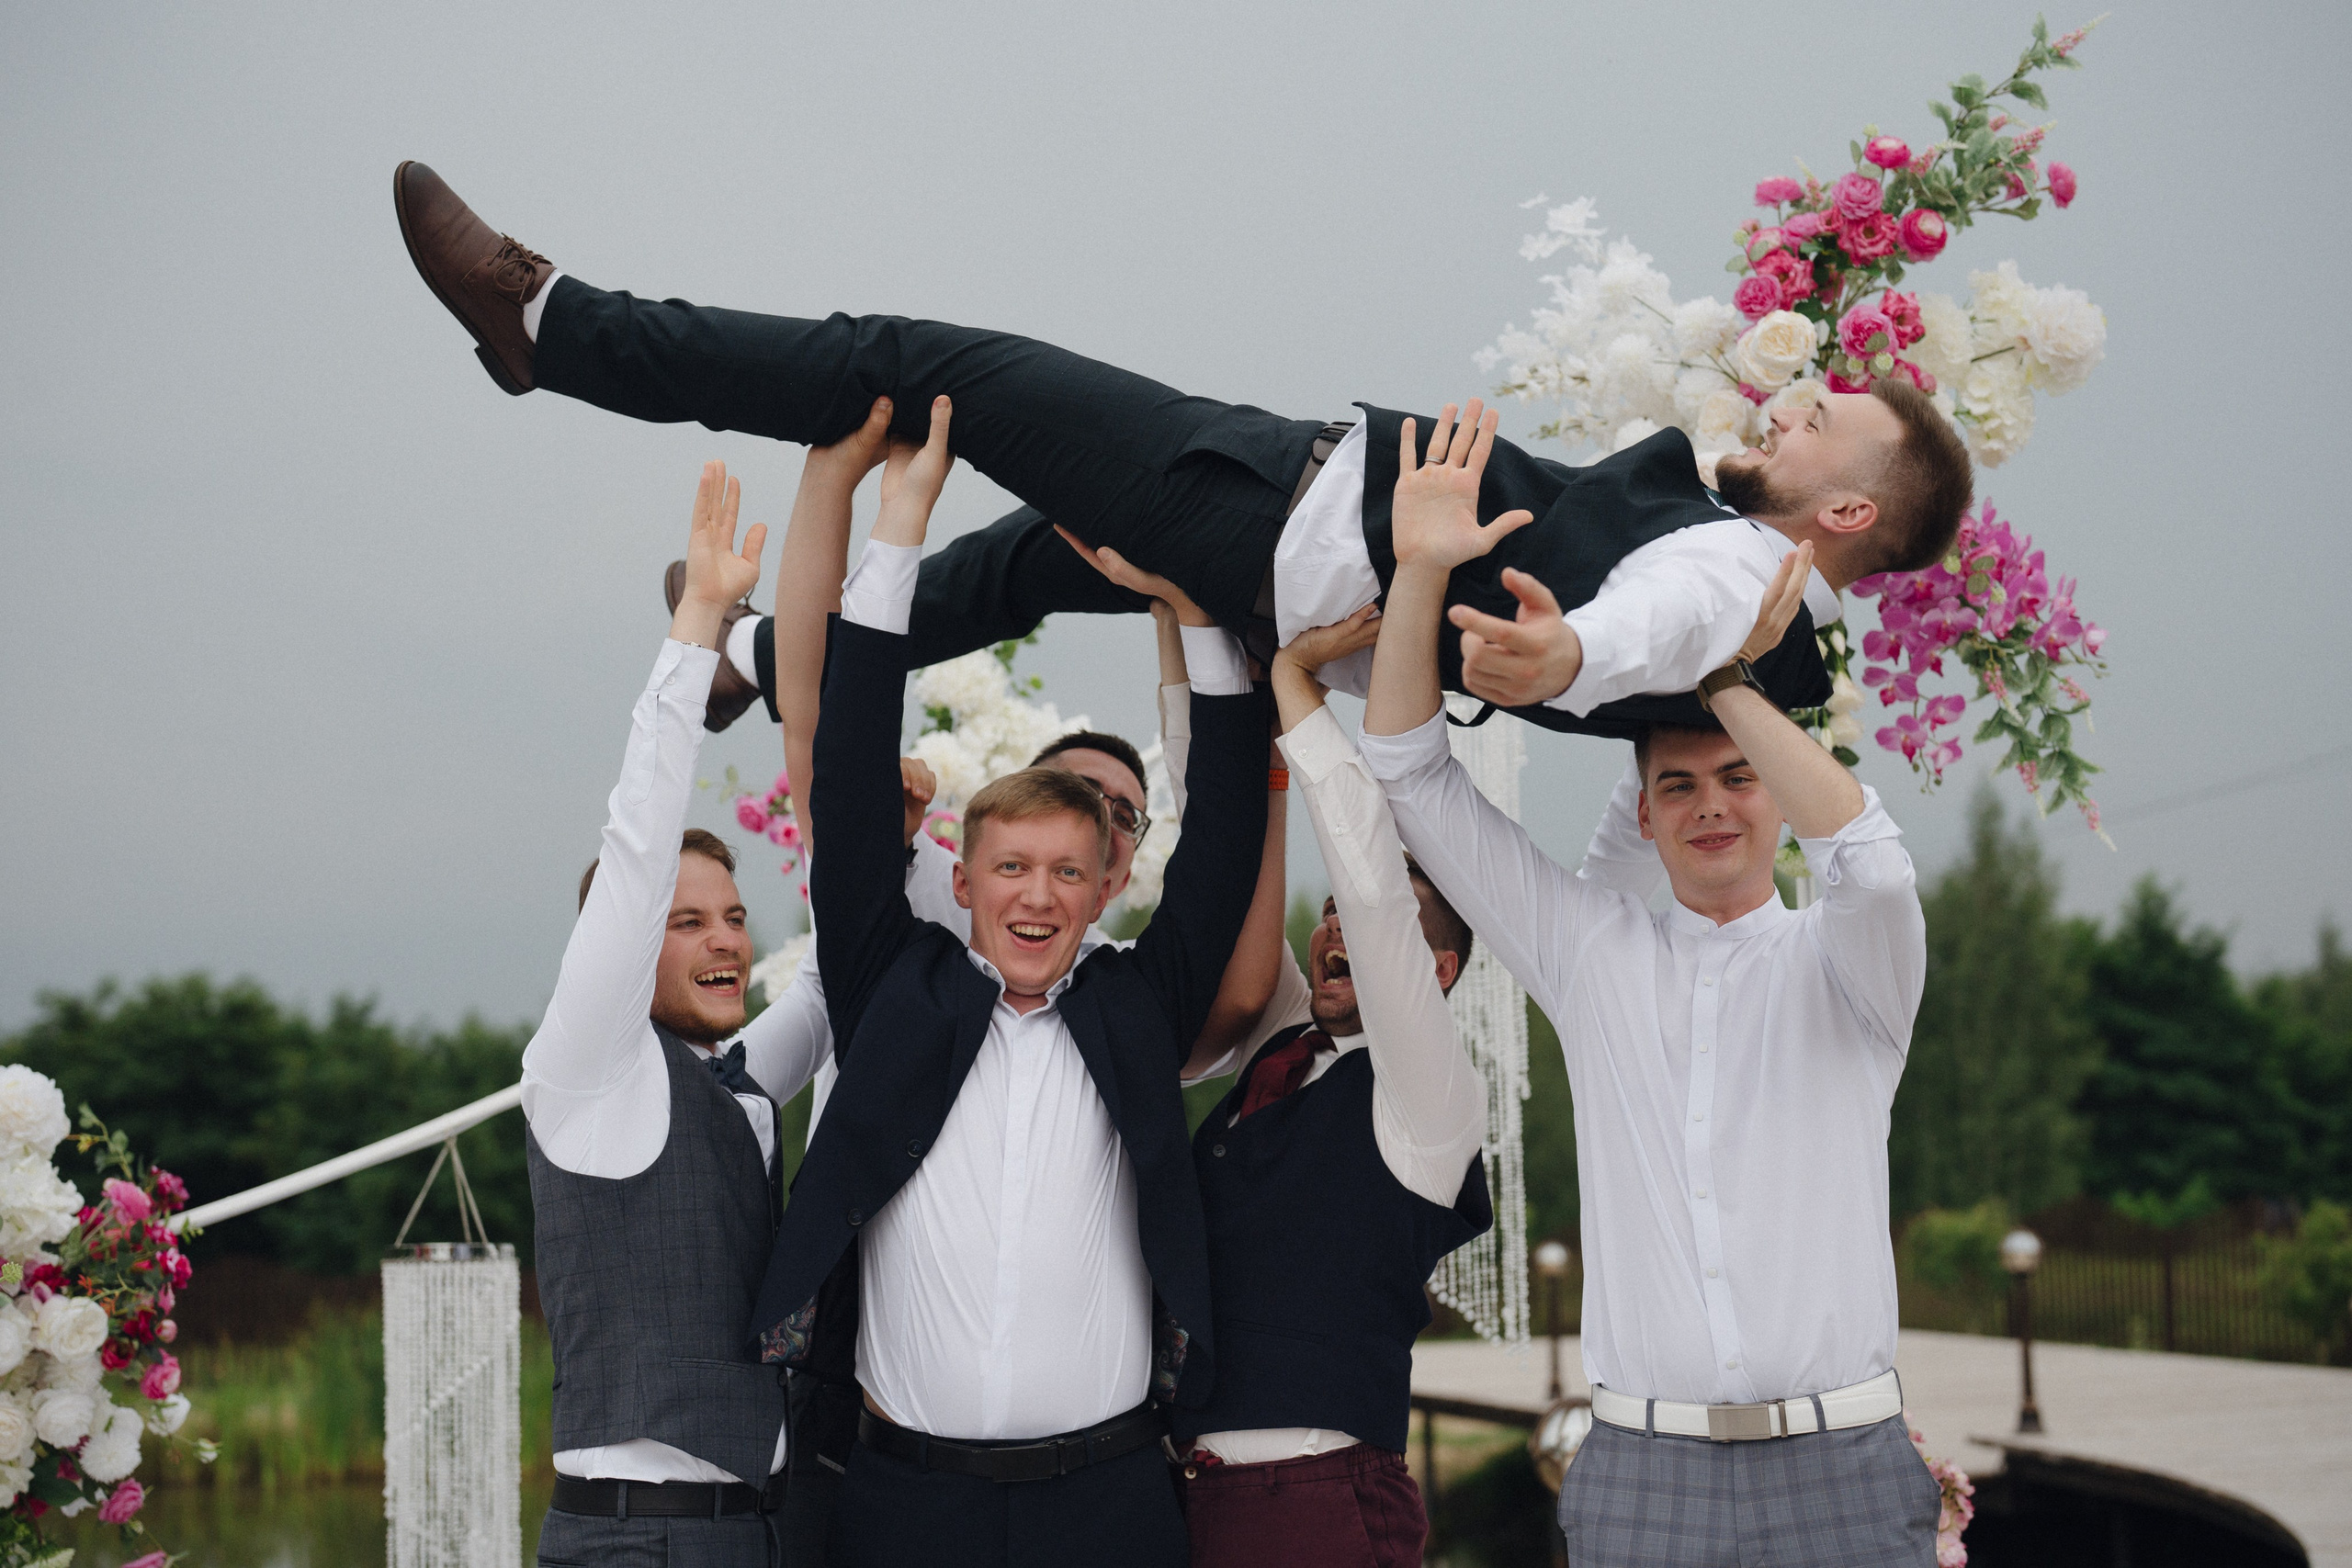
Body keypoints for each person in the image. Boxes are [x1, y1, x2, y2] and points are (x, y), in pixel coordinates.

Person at [390, 162, 1973, 740]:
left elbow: (1635, 635)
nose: (1794, 396)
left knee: (918, 369)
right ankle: (752, 656)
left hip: (1274, 520)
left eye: (1824, 416)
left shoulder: (1732, 569)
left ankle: (561, 326)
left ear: (1843, 506)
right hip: (1276, 522)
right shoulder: (1750, 583)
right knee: (1028, 560)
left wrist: (1560, 658)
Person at [702, 400, 1301, 1562]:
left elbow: (1225, 833)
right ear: (963, 881)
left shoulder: (1139, 1005)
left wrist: (1200, 599)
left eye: (1067, 873)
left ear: (1103, 887)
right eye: (1012, 869)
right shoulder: (890, 982)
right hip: (901, 1501)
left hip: (1111, 1500)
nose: (1037, 896)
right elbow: (849, 769)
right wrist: (902, 528)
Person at [1354, 418, 1939, 1564]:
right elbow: (1409, 772)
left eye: (1735, 779)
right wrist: (1422, 567)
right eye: (1675, 787)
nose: (1711, 805)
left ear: (1772, 793)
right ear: (1645, 811)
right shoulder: (1593, 955)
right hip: (1639, 1469)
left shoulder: (1852, 965)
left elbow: (1869, 856)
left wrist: (1724, 675)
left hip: (1847, 1466)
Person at [1159, 599, 1490, 1568]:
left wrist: (1297, 690)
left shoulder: (1428, 1099)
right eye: (1330, 911)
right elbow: (1214, 845)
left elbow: (1379, 898)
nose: (1339, 924)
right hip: (1180, 1493)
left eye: (1367, 913)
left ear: (1434, 973)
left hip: (1317, 1504)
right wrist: (1180, 626)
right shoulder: (1280, 1046)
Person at [519, 463, 793, 1564]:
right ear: (628, 951)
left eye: (732, 916)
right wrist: (695, 635)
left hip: (758, 1538)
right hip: (640, 1546)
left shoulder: (741, 1080)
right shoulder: (591, 1072)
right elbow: (638, 848)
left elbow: (833, 978)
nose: (726, 938)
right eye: (687, 925)